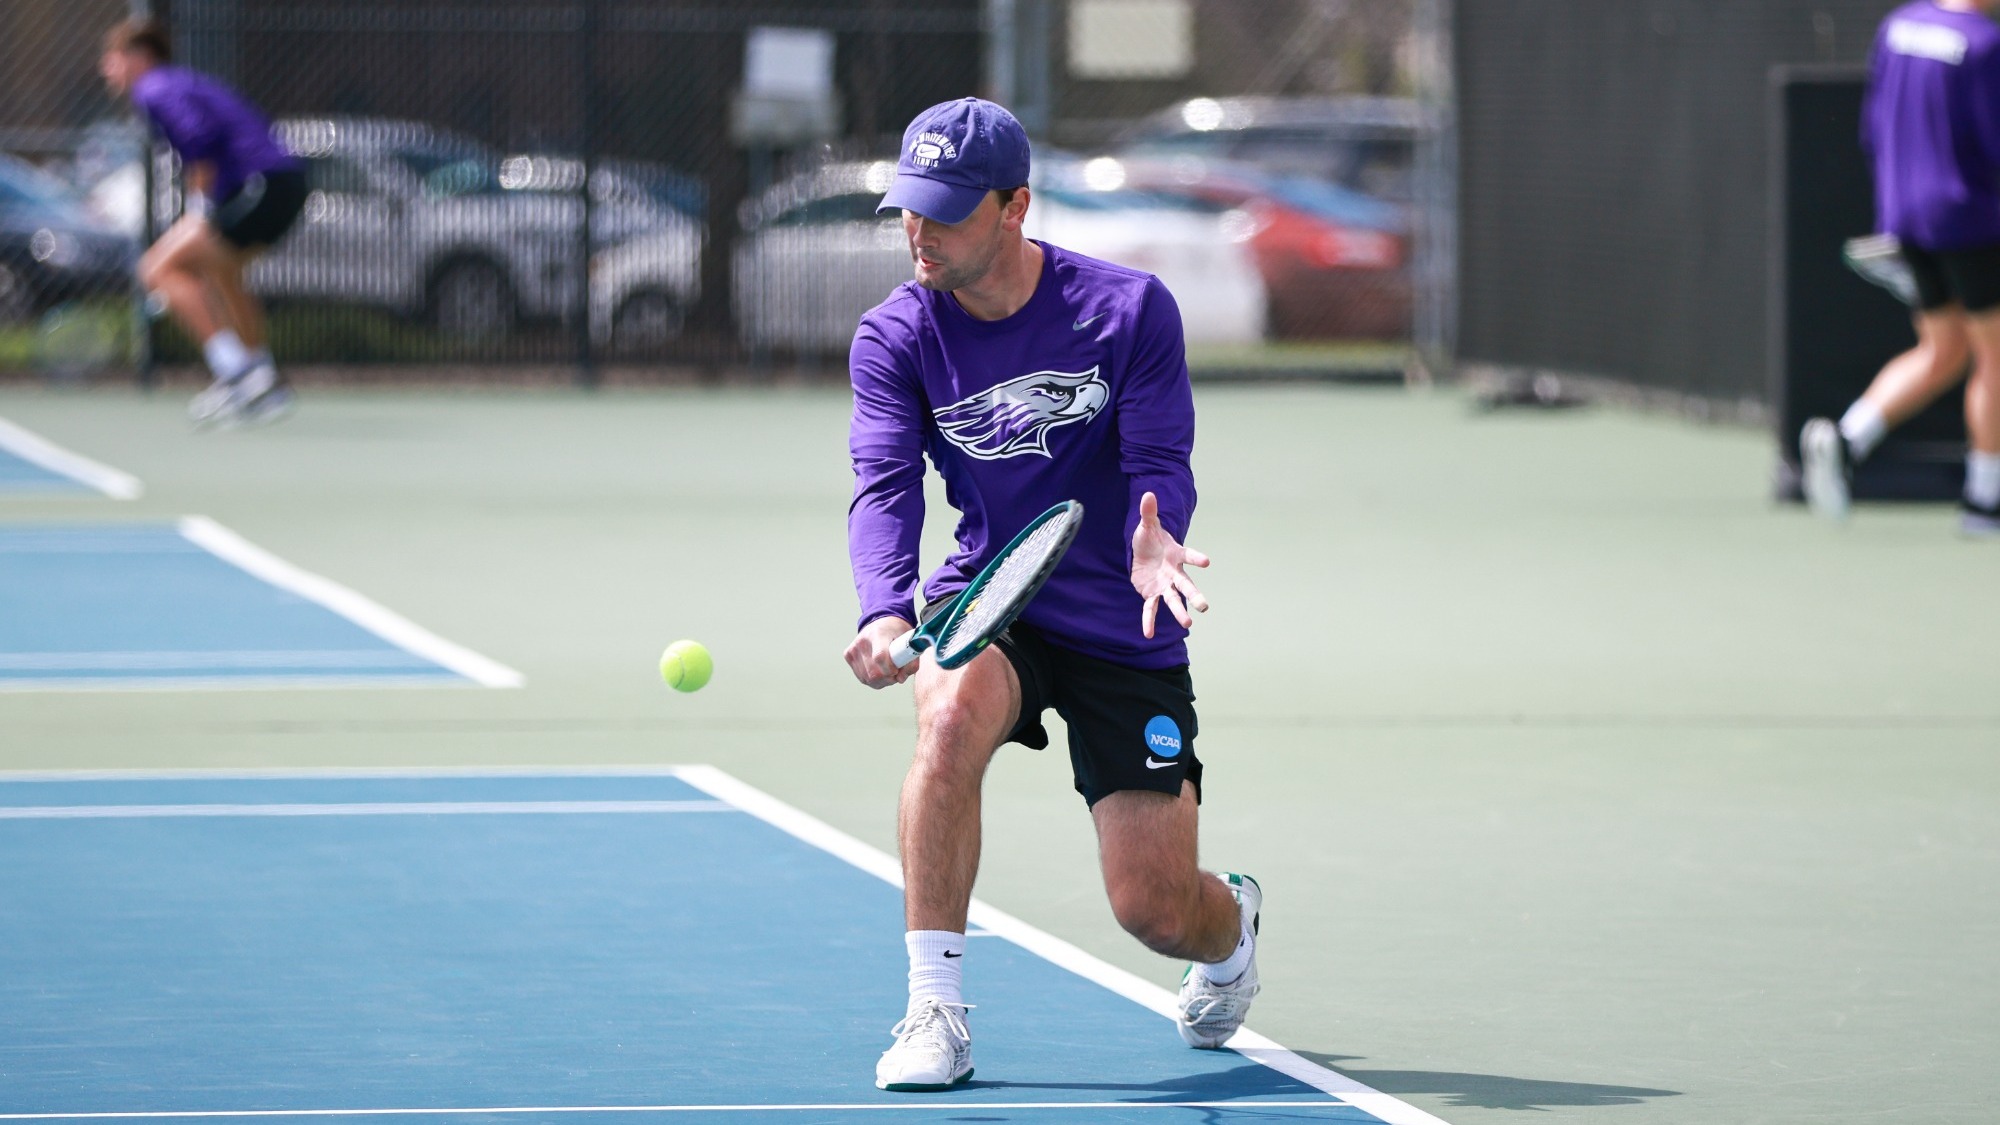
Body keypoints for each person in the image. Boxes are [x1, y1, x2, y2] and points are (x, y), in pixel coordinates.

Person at [842, 98, 1262, 1092]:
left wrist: (1153, 536)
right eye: (910, 207)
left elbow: (1159, 457)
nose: (919, 229)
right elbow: (883, 483)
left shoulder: (1125, 310)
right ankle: (932, 1011)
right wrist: (882, 607)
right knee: (944, 720)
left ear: (1014, 207)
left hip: (1126, 616)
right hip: (994, 593)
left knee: (1155, 911)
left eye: (945, 211)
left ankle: (1232, 924)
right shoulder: (894, 336)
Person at [1801, 0, 2000, 534]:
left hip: (1907, 217)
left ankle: (1845, 442)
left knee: (1944, 349)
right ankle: (1986, 502)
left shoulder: (1899, 26)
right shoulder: (1984, 45)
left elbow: (1873, 128)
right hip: (1972, 224)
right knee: (1995, 357)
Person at [100, 17, 305, 427]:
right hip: (284, 183)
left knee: (157, 268)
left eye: (112, 59)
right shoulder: (178, 82)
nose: (106, 69)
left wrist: (197, 209)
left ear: (139, 58)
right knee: (223, 273)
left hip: (259, 186)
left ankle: (235, 373)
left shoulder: (154, 88)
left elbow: (201, 141)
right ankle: (263, 379)